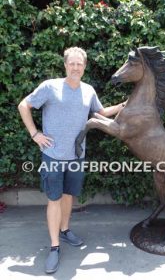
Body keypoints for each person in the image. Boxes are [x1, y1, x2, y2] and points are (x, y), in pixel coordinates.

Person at [18, 47, 124, 274]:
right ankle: (54, 247)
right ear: (65, 65)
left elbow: (101, 112)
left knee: (68, 196)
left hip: (77, 156)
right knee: (54, 199)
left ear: (84, 67)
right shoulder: (50, 87)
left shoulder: (88, 90)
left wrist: (124, 106)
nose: (76, 67)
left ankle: (65, 230)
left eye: (80, 64)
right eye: (72, 63)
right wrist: (35, 134)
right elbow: (23, 105)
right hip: (53, 156)